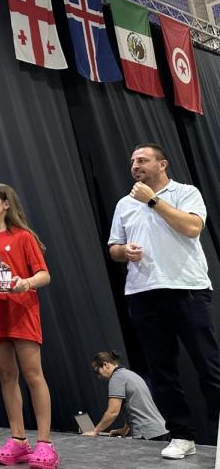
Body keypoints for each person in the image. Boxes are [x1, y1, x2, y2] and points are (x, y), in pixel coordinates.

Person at [107, 143, 220, 460]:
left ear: (162, 164)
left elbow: (192, 227)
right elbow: (114, 247)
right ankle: (183, 436)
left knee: (209, 366)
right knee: (161, 371)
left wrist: (153, 201)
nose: (135, 165)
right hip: (143, 293)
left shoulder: (186, 193)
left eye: (142, 160)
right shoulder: (124, 205)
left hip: (188, 289)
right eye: (132, 161)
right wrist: (123, 252)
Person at [0, 183, 58, 469]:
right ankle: (19, 440)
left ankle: (45, 444)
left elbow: (44, 274)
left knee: (34, 376)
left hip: (21, 312)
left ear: (6, 203)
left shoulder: (23, 237)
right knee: (7, 376)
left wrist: (27, 283)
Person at [84, 350, 168, 440]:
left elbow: (113, 412)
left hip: (148, 433)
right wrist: (124, 430)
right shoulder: (130, 374)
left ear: (105, 365)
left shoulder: (117, 378)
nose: (98, 376)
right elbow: (135, 406)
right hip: (160, 430)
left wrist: (95, 431)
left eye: (97, 371)